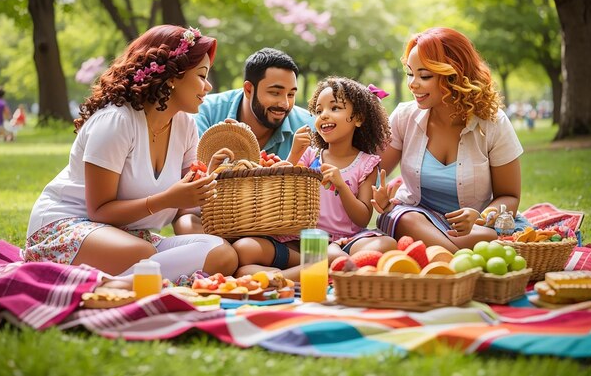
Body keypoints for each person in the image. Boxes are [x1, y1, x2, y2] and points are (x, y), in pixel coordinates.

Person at [24, 25, 238, 282]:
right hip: (67, 225)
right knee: (141, 253)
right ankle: (133, 281)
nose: (209, 86)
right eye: (202, 75)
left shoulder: (185, 125)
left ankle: (121, 283)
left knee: (222, 253)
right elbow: (99, 211)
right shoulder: (117, 121)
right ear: (172, 76)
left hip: (129, 235)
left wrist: (212, 174)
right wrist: (166, 199)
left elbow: (187, 199)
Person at [372, 27, 530, 252]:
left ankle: (441, 253)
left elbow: (509, 196)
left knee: (489, 235)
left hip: (473, 228)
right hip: (418, 220)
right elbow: (371, 171)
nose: (412, 84)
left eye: (424, 76)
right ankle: (461, 258)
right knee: (402, 219)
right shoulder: (404, 116)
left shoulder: (493, 123)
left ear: (455, 75)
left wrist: (480, 218)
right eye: (410, 73)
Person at [232, 77, 397, 280]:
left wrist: (341, 186)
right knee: (244, 248)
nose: (324, 115)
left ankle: (286, 276)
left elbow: (362, 218)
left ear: (359, 118)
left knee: (387, 244)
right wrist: (293, 155)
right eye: (319, 111)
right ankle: (322, 268)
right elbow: (283, 188)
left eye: (334, 108)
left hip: (343, 242)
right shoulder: (310, 155)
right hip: (299, 242)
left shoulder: (366, 164)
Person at [193, 47, 314, 160]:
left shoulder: (310, 127)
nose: (285, 104)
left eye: (291, 94)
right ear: (249, 89)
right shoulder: (205, 112)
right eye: (275, 93)